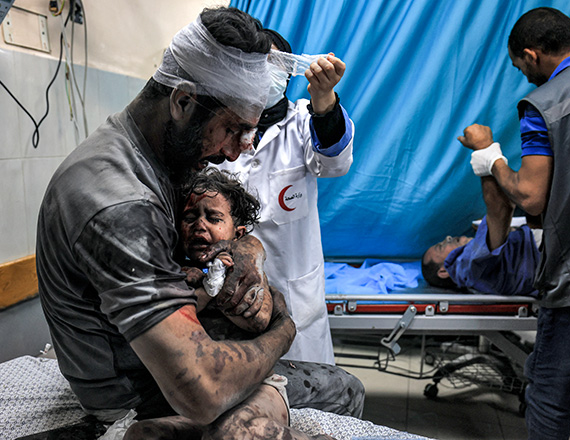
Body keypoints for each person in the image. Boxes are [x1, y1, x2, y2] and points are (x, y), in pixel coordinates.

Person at [36, 6, 363, 432]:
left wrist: (247, 247)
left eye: (248, 134)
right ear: (183, 100)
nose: (234, 152)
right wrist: (283, 328)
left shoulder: (150, 159)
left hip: (147, 366)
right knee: (341, 390)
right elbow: (202, 390)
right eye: (231, 129)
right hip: (138, 396)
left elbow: (323, 165)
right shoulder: (119, 201)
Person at [456, 8, 570, 439]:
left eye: (520, 66)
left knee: (547, 390)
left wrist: (490, 158)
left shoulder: (546, 102)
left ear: (532, 54)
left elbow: (528, 196)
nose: (523, 77)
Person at [125, 168, 337, 439]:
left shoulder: (244, 270)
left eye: (213, 218)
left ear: (237, 234)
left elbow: (257, 320)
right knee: (142, 433)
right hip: (200, 396)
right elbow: (163, 318)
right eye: (190, 217)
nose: (200, 225)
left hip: (254, 387)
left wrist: (213, 287)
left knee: (230, 433)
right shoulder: (174, 271)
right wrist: (200, 284)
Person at [216, 29, 354, 365]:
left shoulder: (305, 120)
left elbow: (333, 164)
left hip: (294, 289)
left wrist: (325, 99)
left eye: (274, 62)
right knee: (245, 397)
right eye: (254, 63)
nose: (264, 71)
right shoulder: (219, 126)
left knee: (309, 395)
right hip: (234, 290)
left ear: (289, 71)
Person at [422, 174, 541, 297]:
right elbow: (500, 207)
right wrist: (486, 165)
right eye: (441, 247)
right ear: (443, 271)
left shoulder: (476, 274)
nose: (447, 238)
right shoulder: (470, 266)